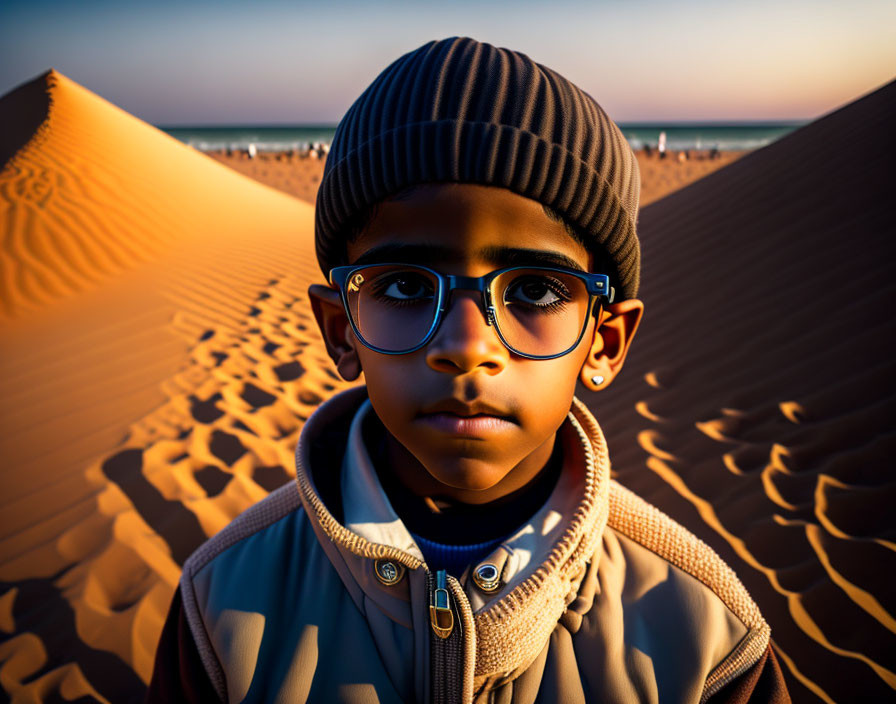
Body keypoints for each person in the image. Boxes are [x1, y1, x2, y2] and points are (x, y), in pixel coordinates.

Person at [146, 37, 789, 703]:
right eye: (402, 287)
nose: (466, 343)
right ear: (342, 330)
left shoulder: (707, 635)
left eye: (536, 291)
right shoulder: (221, 605)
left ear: (604, 340)